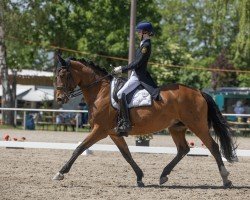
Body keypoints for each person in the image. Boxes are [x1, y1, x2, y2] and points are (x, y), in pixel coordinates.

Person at [112, 21, 161, 137]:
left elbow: (137, 63)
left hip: (138, 76)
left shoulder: (146, 45)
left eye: (139, 31)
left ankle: (125, 123)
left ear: (144, 32)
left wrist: (121, 69)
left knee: (120, 94)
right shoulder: (143, 43)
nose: (138, 33)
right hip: (135, 74)